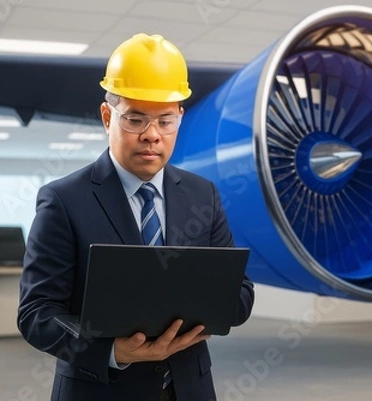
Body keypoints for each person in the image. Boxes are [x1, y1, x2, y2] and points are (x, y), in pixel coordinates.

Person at [17, 33, 255, 401]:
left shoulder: (202, 195)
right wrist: (112, 351)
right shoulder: (63, 200)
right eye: (135, 119)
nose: (151, 136)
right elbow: (37, 313)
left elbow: (239, 294)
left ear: (180, 119)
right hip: (100, 390)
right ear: (107, 116)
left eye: (165, 121)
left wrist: (203, 309)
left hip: (188, 389)